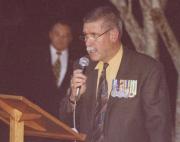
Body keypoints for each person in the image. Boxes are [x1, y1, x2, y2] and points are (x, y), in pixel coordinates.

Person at [59, 5, 172, 142]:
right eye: (85, 36)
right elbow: (64, 119)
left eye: (94, 35)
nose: (88, 43)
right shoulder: (82, 67)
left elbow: (159, 128)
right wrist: (73, 98)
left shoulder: (146, 70)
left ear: (113, 35)